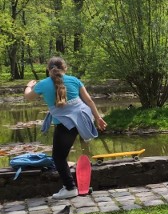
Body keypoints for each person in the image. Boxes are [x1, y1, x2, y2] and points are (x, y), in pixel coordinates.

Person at [24, 57, 107, 199]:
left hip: (64, 124)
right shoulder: (74, 80)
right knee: (62, 155)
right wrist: (98, 118)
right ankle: (70, 185)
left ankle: (70, 188)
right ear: (65, 68)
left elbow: (28, 97)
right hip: (80, 121)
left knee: (58, 157)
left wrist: (29, 86)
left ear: (48, 69)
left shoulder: (43, 84)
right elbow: (89, 100)